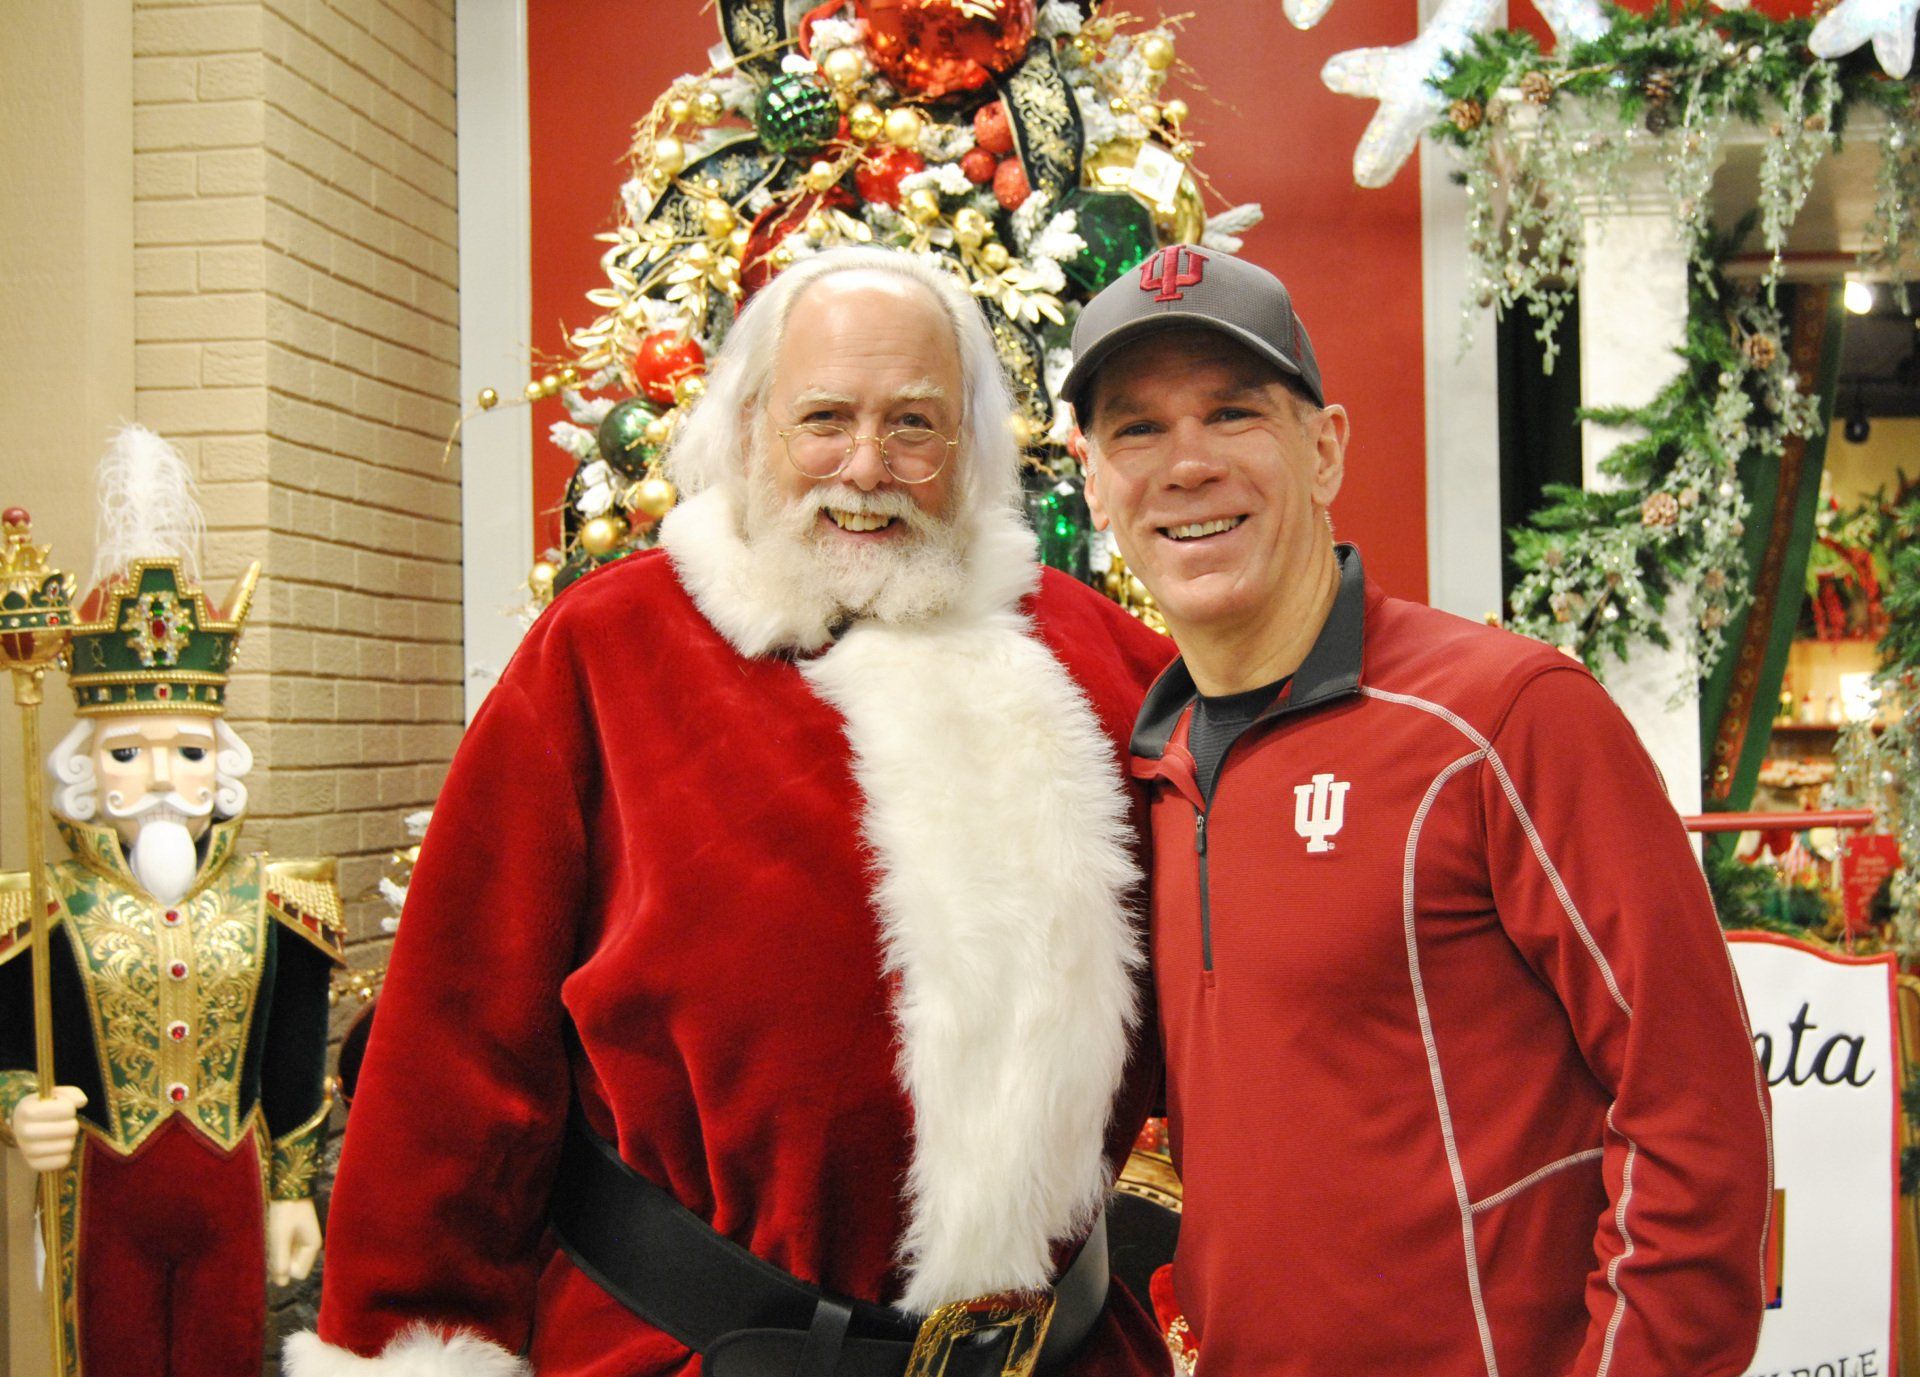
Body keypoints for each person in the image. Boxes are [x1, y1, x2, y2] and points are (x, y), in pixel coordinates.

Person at [293, 247, 1177, 1376]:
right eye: (825, 418)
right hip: (682, 1351)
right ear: (751, 425)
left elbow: (1237, 1019)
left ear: (969, 447)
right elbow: (455, 1042)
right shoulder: (604, 653)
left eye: (914, 424)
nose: (867, 466)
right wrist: (405, 1334)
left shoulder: (1110, 667)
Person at [1061, 246, 1773, 1377]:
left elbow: (1698, 1113)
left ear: (1325, 448)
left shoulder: (1503, 720)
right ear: (1093, 480)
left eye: (1234, 413)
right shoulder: (1140, 772)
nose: (1187, 464)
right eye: (1137, 430)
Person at [1, 427, 344, 1377]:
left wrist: (293, 1190)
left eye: (187, 750)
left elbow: (293, 1058)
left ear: (219, 765)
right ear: (87, 769)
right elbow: (10, 1045)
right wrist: (19, 1110)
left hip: (229, 1190)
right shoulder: (43, 902)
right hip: (103, 1193)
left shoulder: (278, 899)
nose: (159, 774)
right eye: (127, 751)